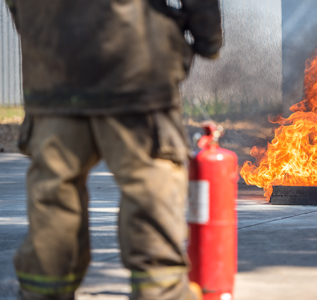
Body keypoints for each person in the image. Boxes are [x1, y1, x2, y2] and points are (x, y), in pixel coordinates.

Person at [7, 0, 222, 299]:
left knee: (54, 193)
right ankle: (161, 293)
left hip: (53, 72)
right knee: (151, 187)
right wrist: (207, 39)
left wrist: (42, 31)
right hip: (134, 67)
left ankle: (42, 293)